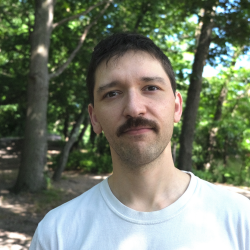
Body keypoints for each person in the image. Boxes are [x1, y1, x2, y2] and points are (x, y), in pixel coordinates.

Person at [29, 33, 250, 250]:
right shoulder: (56, 234)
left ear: (176, 107)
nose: (134, 108)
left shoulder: (241, 220)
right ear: (94, 118)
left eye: (151, 88)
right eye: (113, 94)